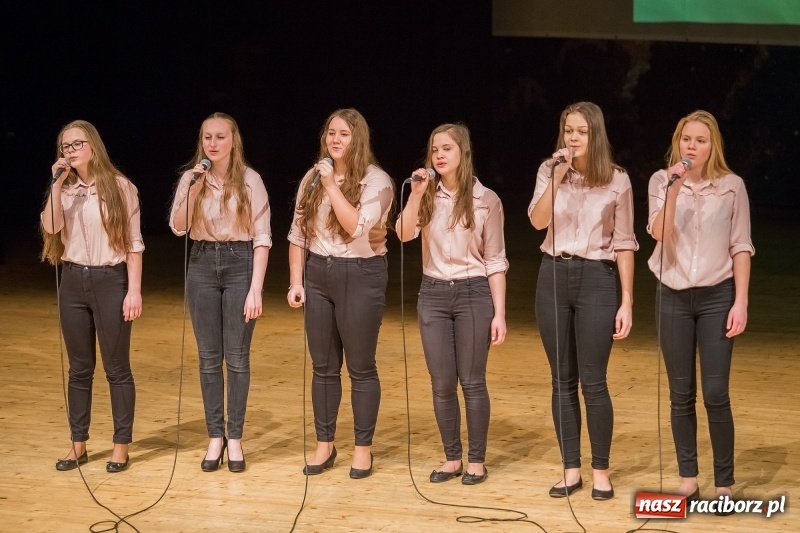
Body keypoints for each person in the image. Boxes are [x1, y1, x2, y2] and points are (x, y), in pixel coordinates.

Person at [528, 102, 637, 500]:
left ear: (595, 135)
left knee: (594, 381)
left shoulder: (617, 181)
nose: (572, 138)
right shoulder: (548, 170)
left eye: (581, 132)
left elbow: (625, 243)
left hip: (596, 277)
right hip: (553, 274)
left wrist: (626, 301)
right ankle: (570, 468)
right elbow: (537, 221)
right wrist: (557, 177)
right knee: (561, 380)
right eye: (567, 130)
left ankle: (601, 471)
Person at [647, 110, 753, 507]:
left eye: (700, 140)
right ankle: (688, 477)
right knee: (680, 393)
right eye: (686, 139)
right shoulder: (662, 180)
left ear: (713, 147)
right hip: (671, 294)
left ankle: (723, 482)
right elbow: (659, 232)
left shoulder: (732, 187)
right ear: (678, 142)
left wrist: (740, 301)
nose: (692, 146)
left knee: (714, 392)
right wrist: (674, 188)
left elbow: (741, 245)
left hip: (716, 296)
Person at [396, 123, 507, 485]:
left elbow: (495, 260)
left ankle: (477, 460)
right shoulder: (426, 195)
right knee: (442, 382)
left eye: (446, 149)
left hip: (474, 292)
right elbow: (403, 233)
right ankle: (452, 458)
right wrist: (414, 195)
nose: (439, 155)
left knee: (472, 381)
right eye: (434, 150)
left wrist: (500, 312)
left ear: (463, 153)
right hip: (433, 293)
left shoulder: (485, 199)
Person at [287, 108, 393, 479]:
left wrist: (332, 186)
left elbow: (358, 228)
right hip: (318, 273)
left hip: (360, 273)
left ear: (357, 139)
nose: (335, 140)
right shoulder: (312, 177)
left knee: (361, 367)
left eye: (344, 134)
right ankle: (324, 444)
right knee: (323, 366)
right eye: (331, 132)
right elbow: (298, 233)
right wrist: (296, 281)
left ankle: (362, 449)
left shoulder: (377, 181)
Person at [169, 112, 271, 473]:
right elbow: (178, 228)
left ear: (233, 141)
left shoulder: (250, 181)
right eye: (207, 137)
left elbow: (262, 238)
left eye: (220, 137)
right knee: (209, 357)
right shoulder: (191, 178)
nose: (213, 143)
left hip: (239, 261)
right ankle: (216, 436)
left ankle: (236, 437)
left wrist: (256, 288)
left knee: (237, 357)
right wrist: (194, 189)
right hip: (201, 261)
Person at [41, 120, 144, 473]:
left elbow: (133, 244)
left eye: (76, 144)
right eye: (65, 146)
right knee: (79, 369)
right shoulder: (65, 190)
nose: (70, 150)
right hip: (72, 280)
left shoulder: (120, 187)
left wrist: (134, 290)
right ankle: (78, 444)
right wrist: (55, 185)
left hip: (109, 279)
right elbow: (52, 227)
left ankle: (120, 446)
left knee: (116, 368)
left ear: (93, 146)